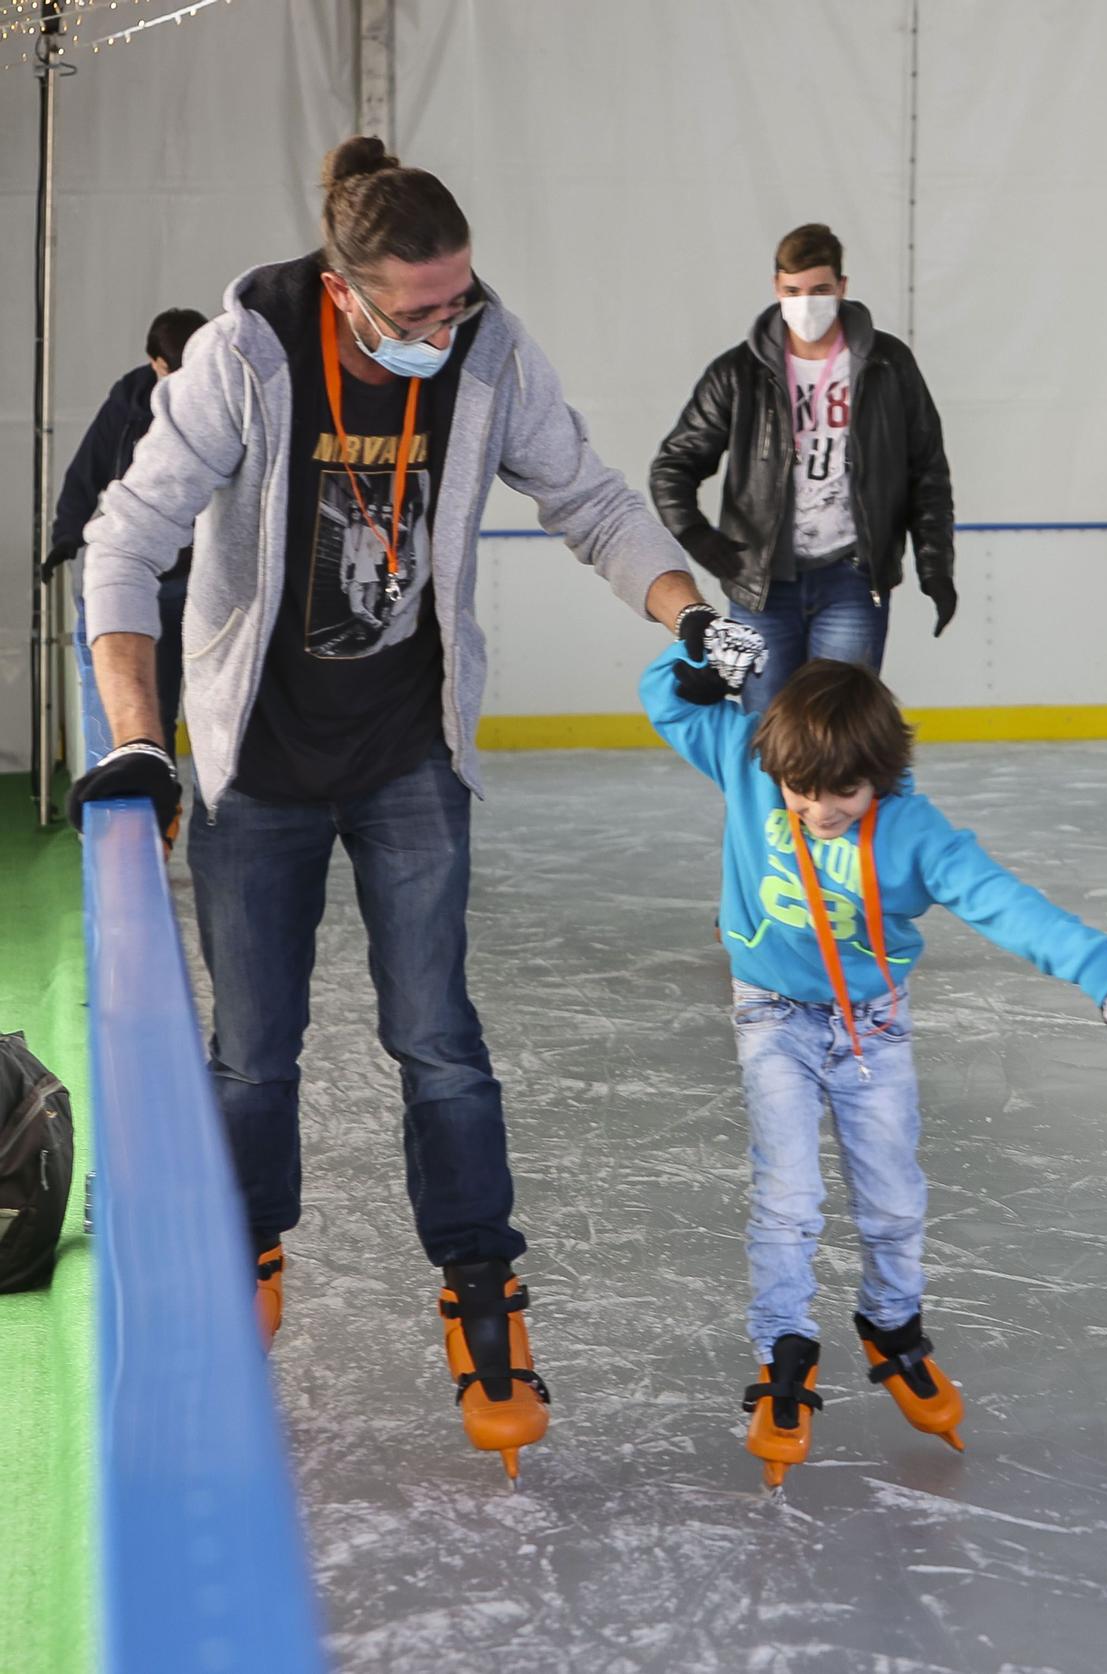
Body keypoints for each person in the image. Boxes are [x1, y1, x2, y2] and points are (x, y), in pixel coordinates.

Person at [68, 136, 730, 1483]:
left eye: (461, 299)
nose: (449, 324)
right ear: (348, 291)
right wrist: (139, 739)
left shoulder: (488, 349)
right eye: (421, 310)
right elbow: (123, 539)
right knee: (254, 1049)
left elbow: (593, 499)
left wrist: (692, 615)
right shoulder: (249, 350)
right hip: (256, 761)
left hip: (407, 754)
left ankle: (481, 1283)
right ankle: (245, 1250)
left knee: (441, 1038)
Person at [639, 635, 1107, 1487]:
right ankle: (783, 1354)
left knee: (895, 1196)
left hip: (872, 1026)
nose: (820, 810)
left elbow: (1003, 902)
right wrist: (694, 661)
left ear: (884, 774)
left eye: (844, 793)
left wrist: (1102, 971)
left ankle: (893, 1327)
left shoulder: (914, 831)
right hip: (772, 1017)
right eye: (802, 791)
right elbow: (668, 702)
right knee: (788, 1194)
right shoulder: (752, 759)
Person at [650, 222, 956, 711]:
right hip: (762, 587)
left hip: (853, 581)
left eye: (820, 290)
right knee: (765, 736)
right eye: (793, 291)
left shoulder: (887, 364)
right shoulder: (738, 372)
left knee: (838, 733)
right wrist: (696, 535)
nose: (806, 303)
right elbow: (673, 465)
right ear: (776, 287)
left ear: (842, 288)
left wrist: (936, 565)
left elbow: (928, 473)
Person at [47, 307, 208, 783]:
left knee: (194, 698)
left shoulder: (218, 396)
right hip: (143, 580)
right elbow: (89, 469)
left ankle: (185, 798)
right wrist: (66, 536)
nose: (184, 381)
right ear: (154, 363)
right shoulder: (129, 400)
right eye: (173, 370)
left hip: (199, 580)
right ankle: (137, 804)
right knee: (138, 704)